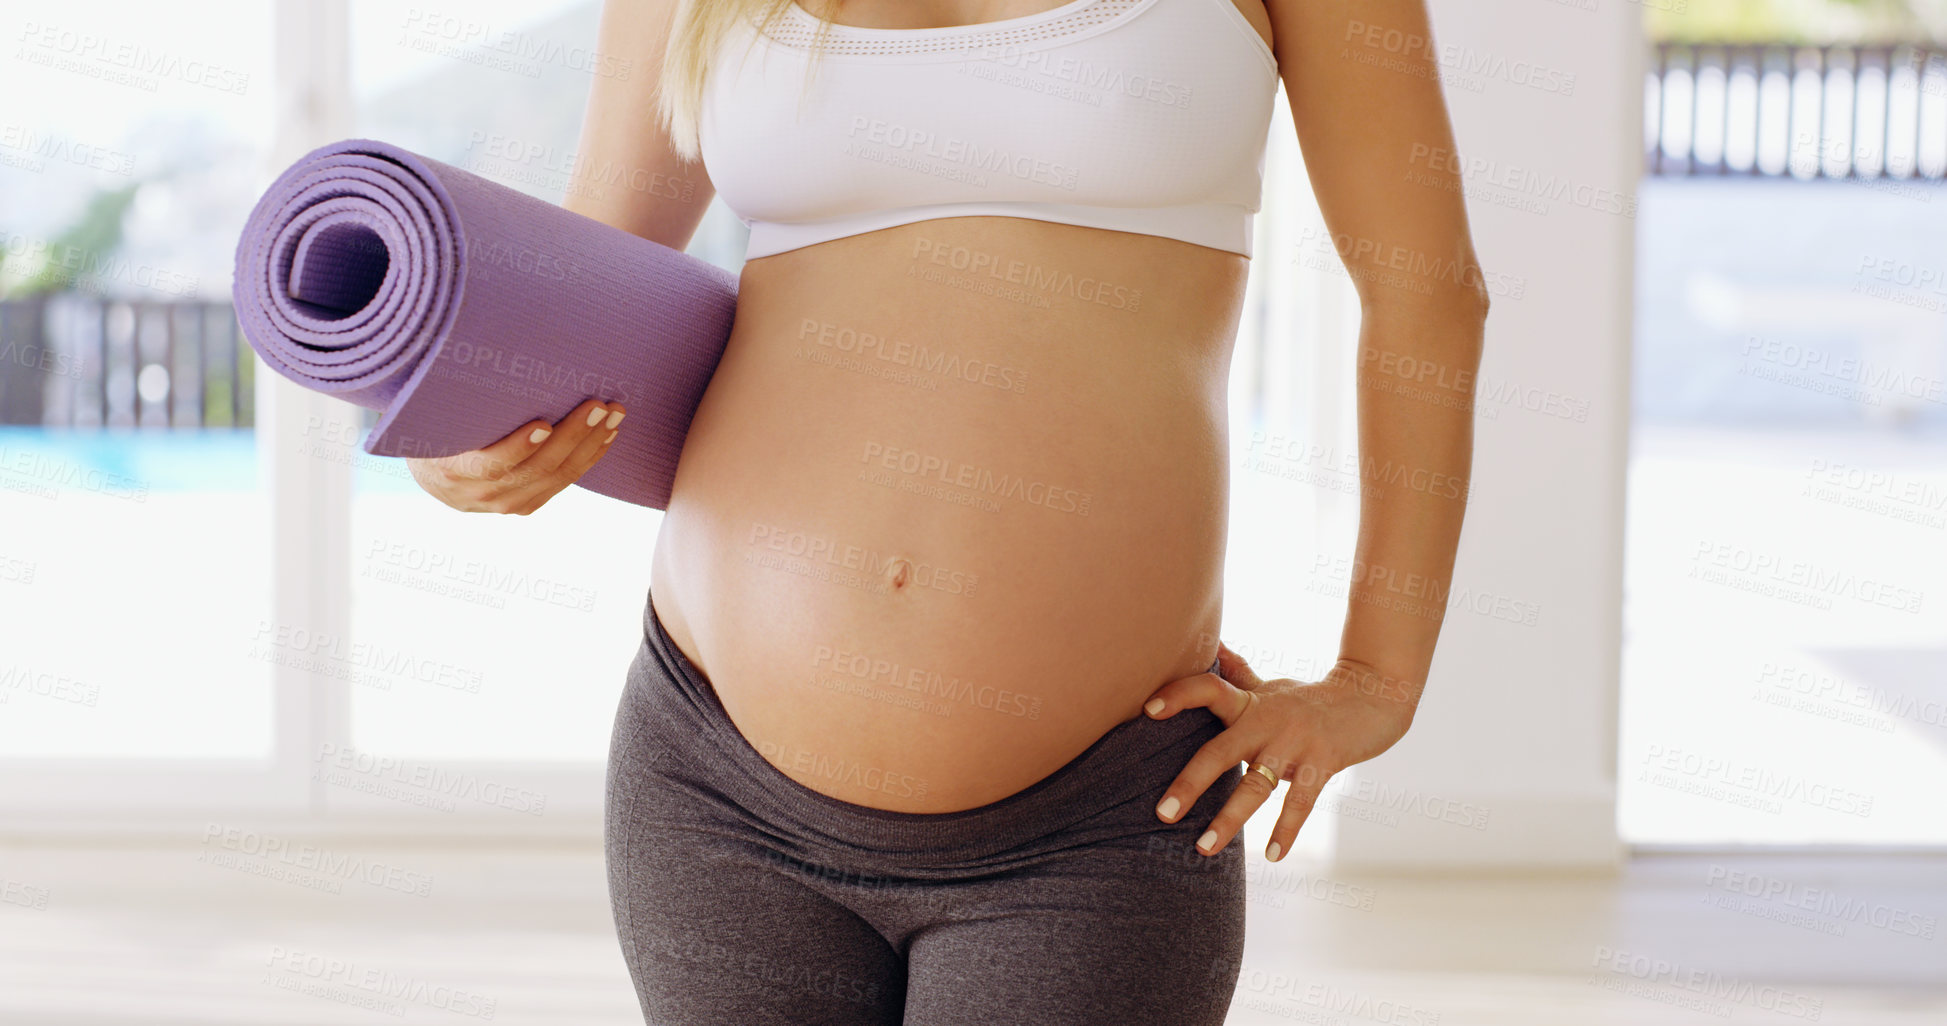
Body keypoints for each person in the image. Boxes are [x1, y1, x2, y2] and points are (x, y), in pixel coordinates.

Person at [406, 0, 1486, 1022]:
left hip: (1093, 818)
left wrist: (1376, 677)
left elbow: (1426, 295)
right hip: (713, 781)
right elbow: (593, 281)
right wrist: (462, 434)